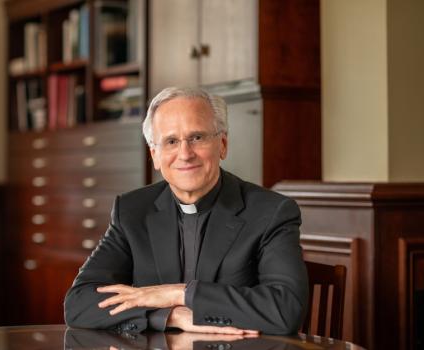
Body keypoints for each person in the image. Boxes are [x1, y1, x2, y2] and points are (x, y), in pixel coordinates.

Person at [64, 87, 308, 335]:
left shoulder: (271, 212)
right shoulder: (133, 211)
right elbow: (79, 303)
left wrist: (180, 293)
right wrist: (169, 316)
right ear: (155, 156)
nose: (185, 154)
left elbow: (284, 309)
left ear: (222, 145)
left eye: (197, 138)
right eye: (171, 141)